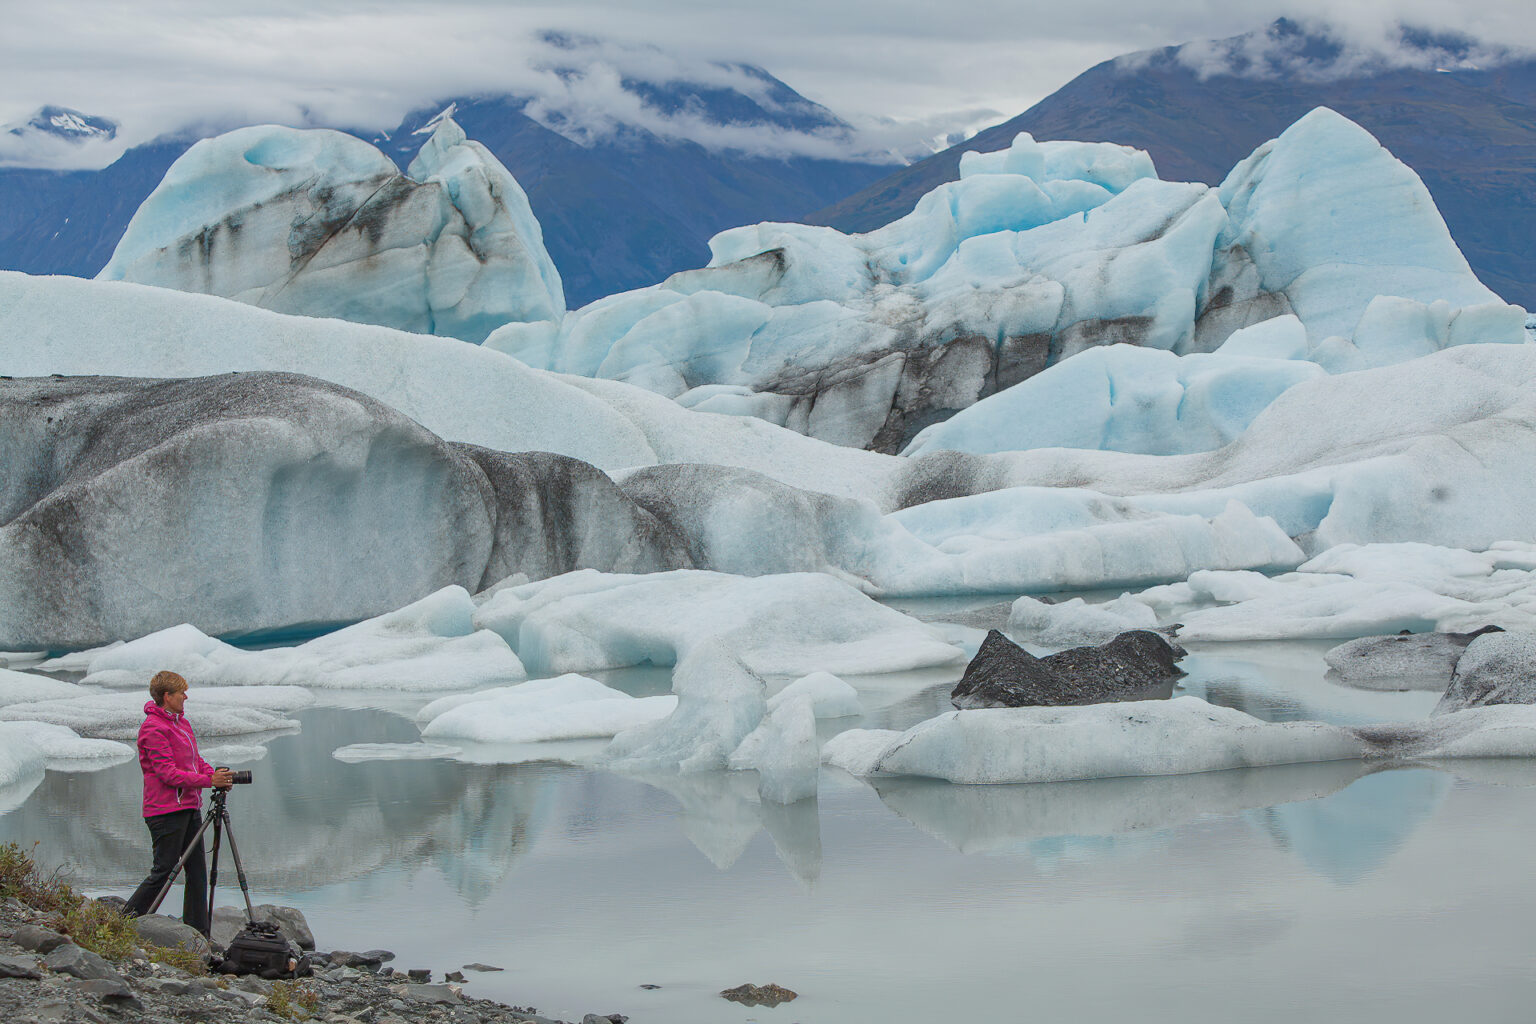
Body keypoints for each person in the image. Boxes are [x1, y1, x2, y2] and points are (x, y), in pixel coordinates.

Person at [124, 670, 233, 935]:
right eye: (181, 692)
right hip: (165, 811)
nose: (186, 697)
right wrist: (209, 781)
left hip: (188, 807)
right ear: (167, 696)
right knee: (164, 870)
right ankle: (125, 921)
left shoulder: (181, 724)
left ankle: (197, 933)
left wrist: (214, 776)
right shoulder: (153, 728)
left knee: (197, 872)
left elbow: (195, 762)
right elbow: (167, 774)